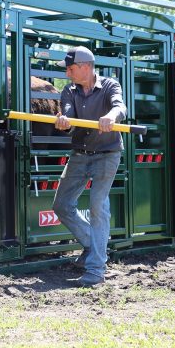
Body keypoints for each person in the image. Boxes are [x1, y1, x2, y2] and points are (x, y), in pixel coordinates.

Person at [53, 46, 127, 287]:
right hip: (80, 154)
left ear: (85, 67)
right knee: (61, 205)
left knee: (97, 205)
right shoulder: (69, 91)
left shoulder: (109, 86)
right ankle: (92, 246)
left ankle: (96, 269)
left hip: (107, 154)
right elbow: (67, 114)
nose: (67, 74)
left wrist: (112, 117)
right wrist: (64, 121)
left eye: (70, 69)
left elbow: (120, 107)